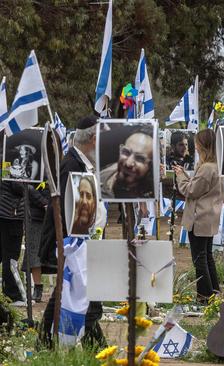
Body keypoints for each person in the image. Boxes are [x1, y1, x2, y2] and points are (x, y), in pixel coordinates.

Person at [39, 116, 106, 348]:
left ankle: (44, 343)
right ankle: (96, 348)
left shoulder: (80, 163)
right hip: (71, 246)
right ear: (93, 138)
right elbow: (66, 212)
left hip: (78, 244)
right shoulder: (72, 165)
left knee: (65, 295)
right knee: (87, 301)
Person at [172, 129, 224, 303]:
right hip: (208, 217)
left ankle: (204, 297)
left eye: (196, 143)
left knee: (199, 259)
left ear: (202, 146)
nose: (195, 146)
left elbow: (191, 190)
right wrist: (185, 174)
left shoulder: (207, 168)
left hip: (199, 218)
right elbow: (198, 186)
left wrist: (180, 176)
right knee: (207, 256)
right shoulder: (215, 166)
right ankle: (214, 292)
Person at [100, 126, 155, 199]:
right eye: (126, 152)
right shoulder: (103, 174)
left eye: (139, 158)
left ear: (151, 166)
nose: (128, 163)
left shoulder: (145, 199)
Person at [21, 183, 50, 303]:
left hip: (53, 216)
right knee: (34, 253)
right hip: (35, 216)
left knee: (54, 253)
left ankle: (62, 288)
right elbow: (28, 188)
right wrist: (44, 202)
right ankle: (37, 288)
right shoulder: (33, 167)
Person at [0, 179, 25, 306]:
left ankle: (10, 294)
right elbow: (17, 185)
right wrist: (31, 186)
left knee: (5, 255)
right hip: (11, 214)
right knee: (11, 257)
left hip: (6, 212)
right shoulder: (11, 160)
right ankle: (12, 295)